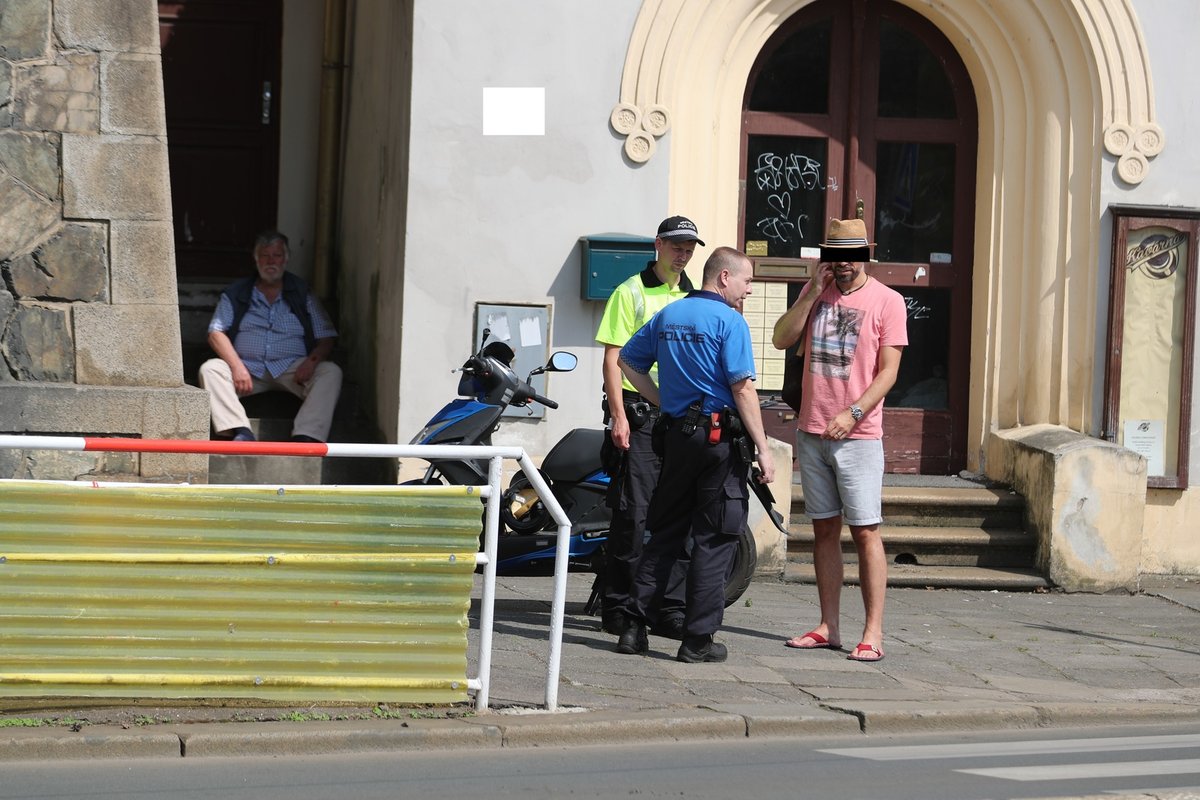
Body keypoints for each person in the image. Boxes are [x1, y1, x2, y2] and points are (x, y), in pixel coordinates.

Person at [614, 246, 775, 663]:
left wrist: (664, 400)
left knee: (664, 532)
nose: (750, 291)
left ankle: (633, 626)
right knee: (715, 538)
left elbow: (628, 363)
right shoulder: (729, 321)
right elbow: (742, 387)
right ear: (724, 278)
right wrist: (762, 447)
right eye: (747, 281)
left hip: (675, 437)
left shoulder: (670, 314)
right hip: (718, 442)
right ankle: (697, 639)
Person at [770, 218, 907, 662]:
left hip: (859, 435)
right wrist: (811, 291)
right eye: (835, 255)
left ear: (866, 253)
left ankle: (873, 633)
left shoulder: (888, 301)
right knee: (824, 529)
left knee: (865, 530)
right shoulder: (817, 294)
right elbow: (780, 339)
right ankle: (828, 626)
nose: (843, 264)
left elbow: (888, 371)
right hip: (812, 431)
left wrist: (853, 413)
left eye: (851, 255)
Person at [593, 216, 701, 639]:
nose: (683, 253)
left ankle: (668, 609)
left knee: (680, 517)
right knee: (633, 515)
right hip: (639, 414)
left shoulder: (694, 294)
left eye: (690, 247)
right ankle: (618, 607)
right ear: (658, 245)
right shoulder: (631, 291)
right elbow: (612, 358)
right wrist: (619, 416)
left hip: (681, 416)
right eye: (676, 245)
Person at [199, 231, 342, 443]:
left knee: (330, 371)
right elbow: (215, 332)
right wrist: (236, 366)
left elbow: (326, 337)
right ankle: (240, 430)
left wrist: (311, 363)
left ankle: (307, 435)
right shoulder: (237, 292)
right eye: (265, 256)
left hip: (292, 369)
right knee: (210, 369)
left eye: (276, 255)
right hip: (247, 369)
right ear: (256, 260)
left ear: (286, 259)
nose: (271, 261)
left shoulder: (301, 292)